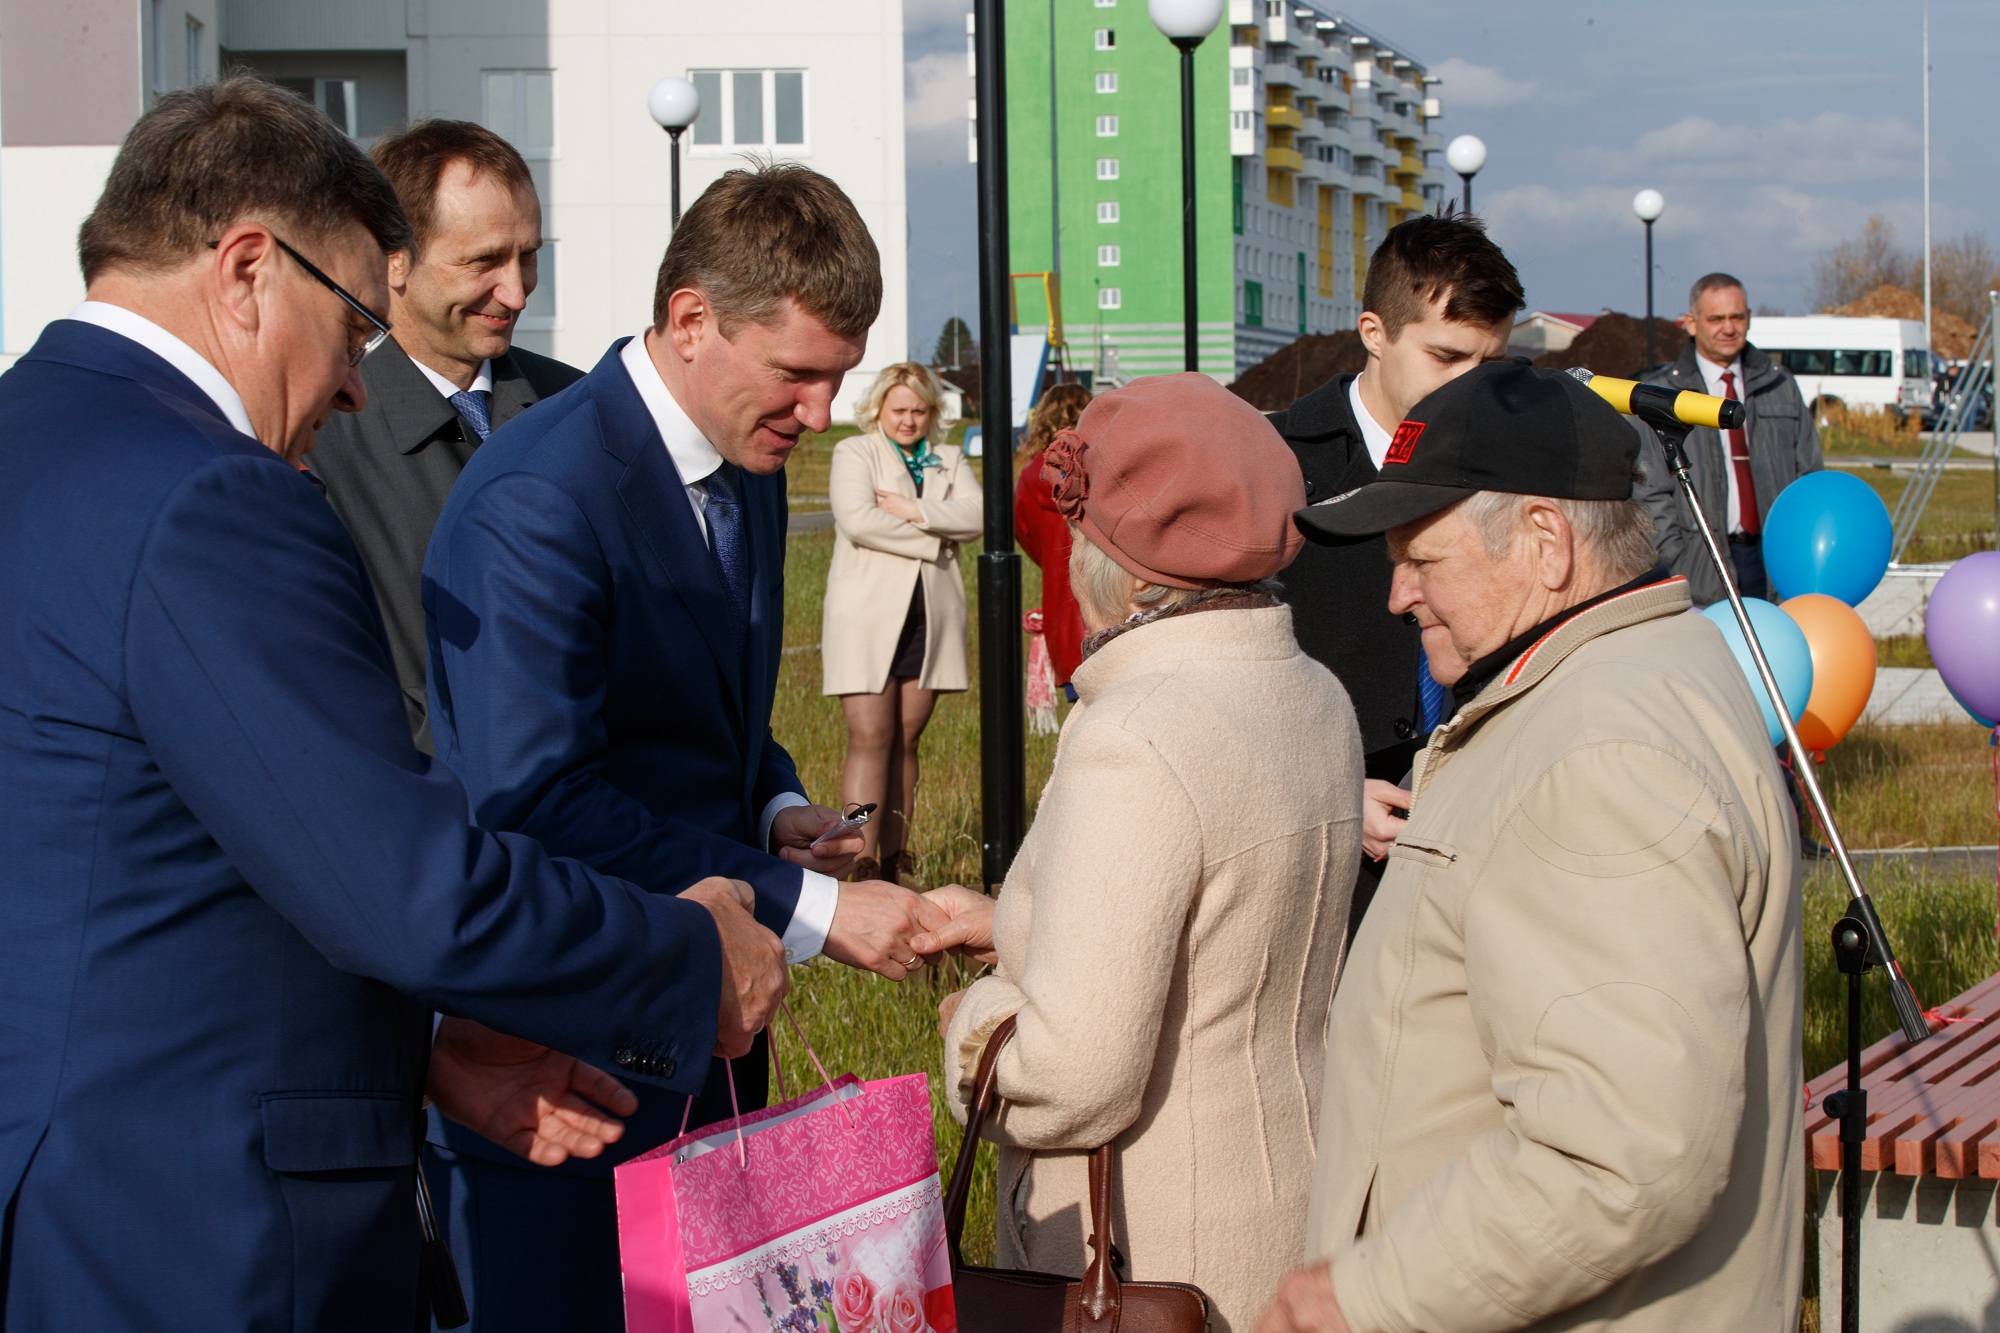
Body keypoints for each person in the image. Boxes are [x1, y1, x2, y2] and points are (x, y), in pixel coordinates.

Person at [0, 75, 787, 1331]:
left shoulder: (31, 438)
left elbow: (150, 861)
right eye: (359, 324)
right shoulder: (218, 497)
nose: (362, 386)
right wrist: (687, 958)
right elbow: (411, 886)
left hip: (72, 1193)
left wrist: (420, 1051)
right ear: (249, 268)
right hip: (199, 1238)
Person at [423, 164, 939, 1332]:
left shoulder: (739, 462)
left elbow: (701, 712)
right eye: (799, 376)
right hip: (560, 1064)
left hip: (700, 1037)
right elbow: (536, 795)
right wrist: (807, 909)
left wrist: (774, 806)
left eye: (840, 382)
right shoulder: (540, 497)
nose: (820, 416)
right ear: (693, 319)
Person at [1265, 363, 1802, 1333]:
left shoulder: (1599, 751)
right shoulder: (1615, 681)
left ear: (1545, 544)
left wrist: (1354, 1295)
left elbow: (1619, 1152)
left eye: (1419, 557)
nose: (1395, 595)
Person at [916, 373, 1365, 1333]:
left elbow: (1074, 1077)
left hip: (1151, 1250)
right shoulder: (1314, 692)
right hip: (1292, 1196)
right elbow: (1221, 913)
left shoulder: (1139, 731)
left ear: (1109, 553)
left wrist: (973, 1022)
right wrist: (1005, 919)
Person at [1271, 213, 1522, 937]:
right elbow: (1222, 677)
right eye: (1447, 357)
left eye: (1491, 364)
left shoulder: (1512, 467)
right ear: (1374, 332)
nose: (1472, 389)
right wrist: (1328, 792)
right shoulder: (1279, 466)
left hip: (1480, 831)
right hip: (1318, 851)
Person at [309, 119, 583, 751]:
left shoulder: (579, 407)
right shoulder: (321, 437)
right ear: (393, 260)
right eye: (483, 261)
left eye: (530, 256)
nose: (515, 292)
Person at [823, 361, 983, 882]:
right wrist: (938, 534)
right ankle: (857, 852)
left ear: (932, 412)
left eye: (918, 410)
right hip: (866, 617)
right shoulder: (855, 451)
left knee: (907, 741)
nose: (909, 420)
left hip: (929, 618)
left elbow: (979, 517)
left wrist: (910, 508)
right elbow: (857, 519)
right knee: (870, 737)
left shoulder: (949, 458)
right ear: (878, 410)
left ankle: (896, 857)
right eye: (899, 410)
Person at [1635, 271, 1823, 605]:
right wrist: (1679, 562)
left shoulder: (1780, 384)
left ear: (1748, 318)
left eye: (1737, 317)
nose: (1729, 328)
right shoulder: (1662, 395)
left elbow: (1809, 474)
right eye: (1716, 318)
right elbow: (1651, 494)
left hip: (1774, 560)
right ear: (1691, 323)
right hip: (1702, 563)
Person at [1014, 381, 1094, 691]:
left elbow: (1027, 537)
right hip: (1112, 611)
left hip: (1063, 612)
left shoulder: (1029, 478)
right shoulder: (1101, 473)